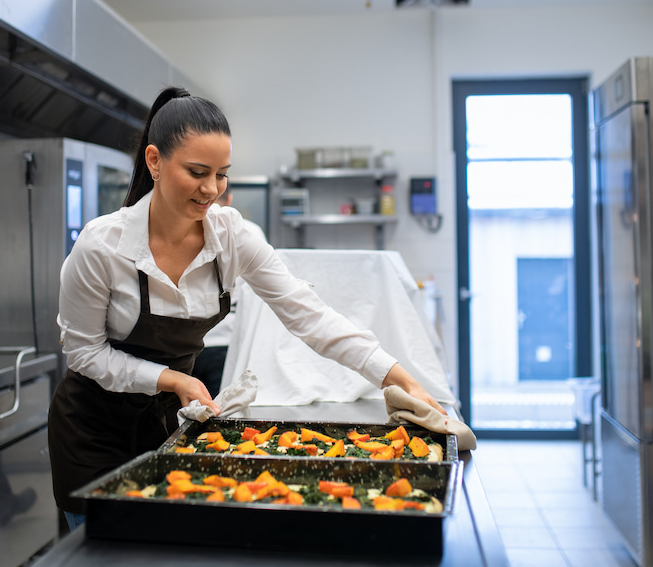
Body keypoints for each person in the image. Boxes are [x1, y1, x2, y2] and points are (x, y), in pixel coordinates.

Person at [47, 86, 447, 531]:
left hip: (168, 427)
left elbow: (309, 315)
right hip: (91, 434)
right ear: (155, 161)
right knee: (102, 554)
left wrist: (397, 376)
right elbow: (83, 353)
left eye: (221, 174)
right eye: (197, 172)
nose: (211, 190)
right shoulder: (103, 246)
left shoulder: (232, 238)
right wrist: (171, 378)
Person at [190, 184, 264, 396]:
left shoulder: (183, 227)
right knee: (217, 413)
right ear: (229, 199)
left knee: (185, 420)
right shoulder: (250, 230)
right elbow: (256, 294)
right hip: (226, 341)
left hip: (187, 343)